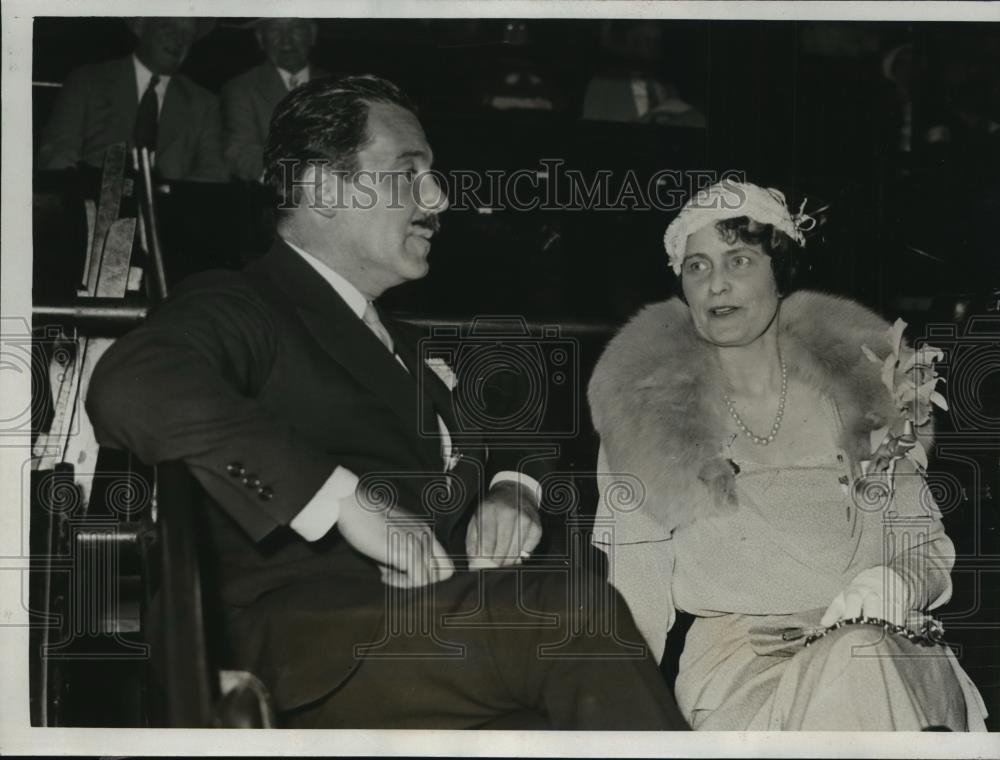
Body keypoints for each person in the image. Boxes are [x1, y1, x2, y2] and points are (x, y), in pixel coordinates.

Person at [86, 74, 689, 730]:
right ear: (323, 190)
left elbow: (511, 428)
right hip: (314, 647)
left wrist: (512, 490)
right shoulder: (243, 302)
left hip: (437, 641)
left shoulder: (403, 339)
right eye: (409, 173)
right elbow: (132, 383)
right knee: (575, 613)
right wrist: (344, 501)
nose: (438, 198)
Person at [588, 179, 989, 730]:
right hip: (748, 677)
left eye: (739, 260)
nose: (717, 284)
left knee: (861, 659)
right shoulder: (649, 417)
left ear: (781, 272)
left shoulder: (866, 394)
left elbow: (927, 550)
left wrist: (897, 584)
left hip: (889, 655)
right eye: (698, 266)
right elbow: (634, 596)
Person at [37, 17, 226, 182]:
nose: (179, 39)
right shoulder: (87, 82)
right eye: (168, 27)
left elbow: (214, 172)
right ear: (141, 27)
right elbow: (57, 154)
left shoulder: (204, 104)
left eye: (188, 34)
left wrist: (171, 201)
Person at [222, 18, 328, 182]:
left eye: (295, 28)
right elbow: (240, 151)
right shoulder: (242, 88)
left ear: (312, 34)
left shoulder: (339, 87)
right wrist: (300, 180)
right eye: (275, 30)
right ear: (260, 39)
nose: (286, 40)